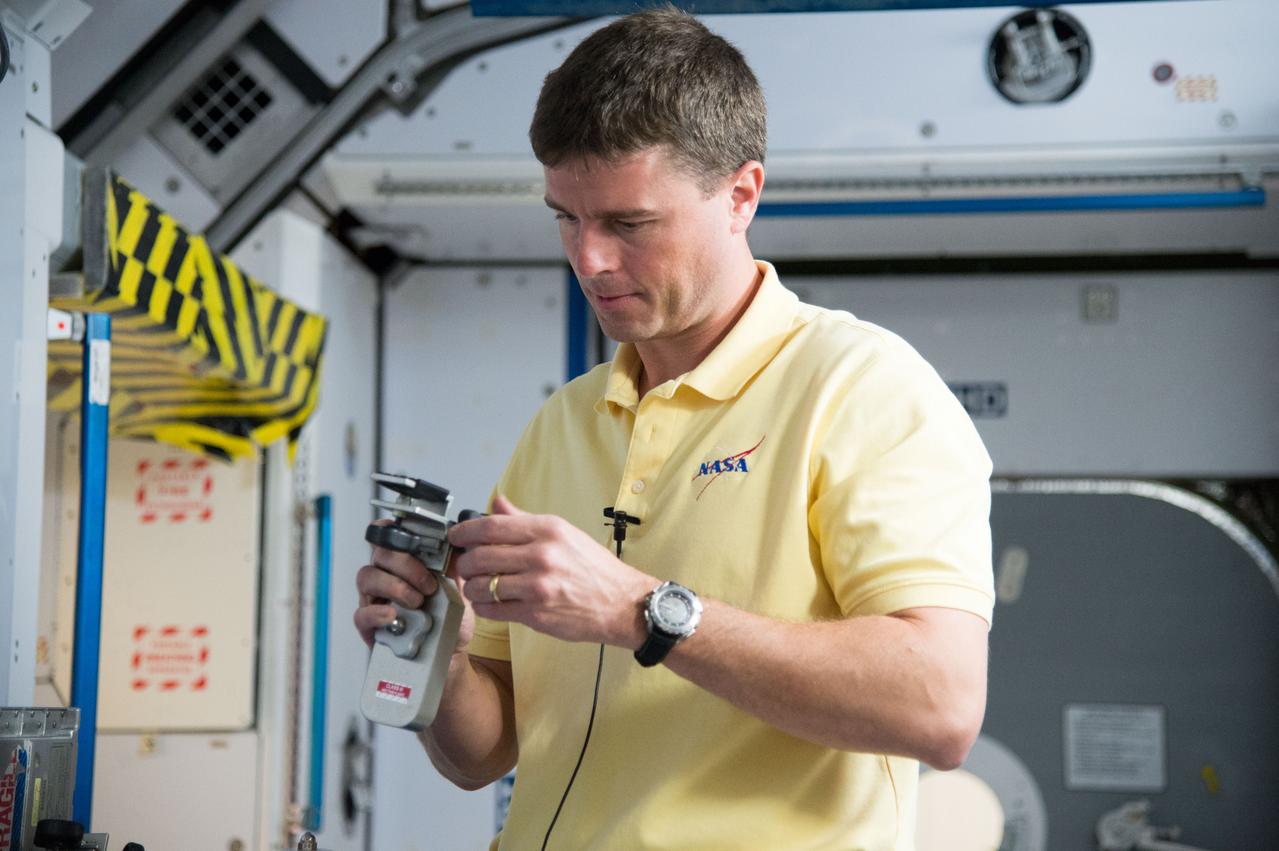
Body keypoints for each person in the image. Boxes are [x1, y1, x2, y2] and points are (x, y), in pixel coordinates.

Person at [355, 7, 994, 849]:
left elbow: (940, 706)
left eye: (628, 223)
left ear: (740, 195)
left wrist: (641, 611)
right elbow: (486, 753)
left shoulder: (863, 388)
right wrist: (440, 645)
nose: (588, 258)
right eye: (565, 217)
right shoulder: (563, 423)